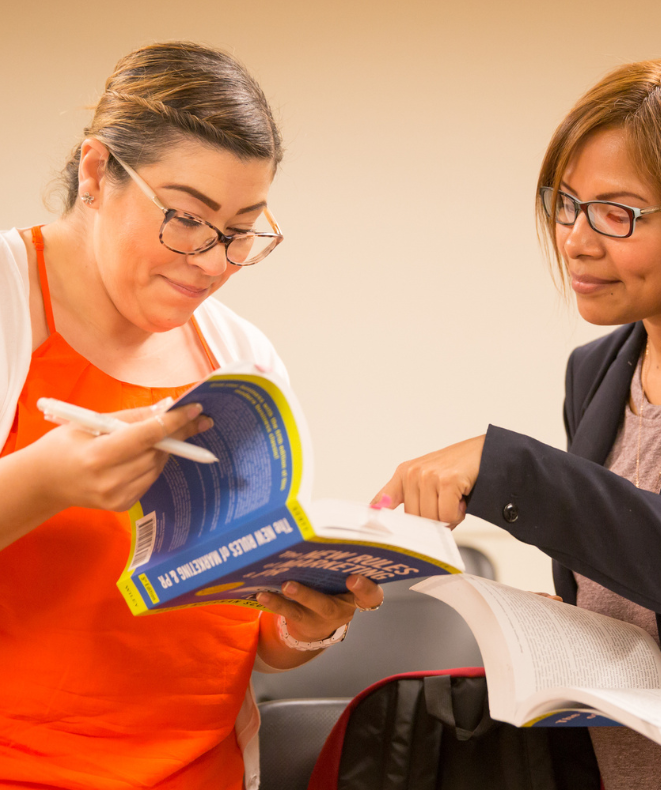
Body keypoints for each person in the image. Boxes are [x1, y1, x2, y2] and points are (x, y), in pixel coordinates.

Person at [375, 58, 661, 789]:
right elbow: (631, 578)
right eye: (566, 204)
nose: (576, 240)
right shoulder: (597, 370)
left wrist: (508, 469)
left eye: (618, 213)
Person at [0, 41, 383, 790]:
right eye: (187, 218)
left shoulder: (241, 358)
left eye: (241, 230)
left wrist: (307, 625)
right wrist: (44, 482)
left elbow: (248, 633)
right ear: (95, 172)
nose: (212, 262)